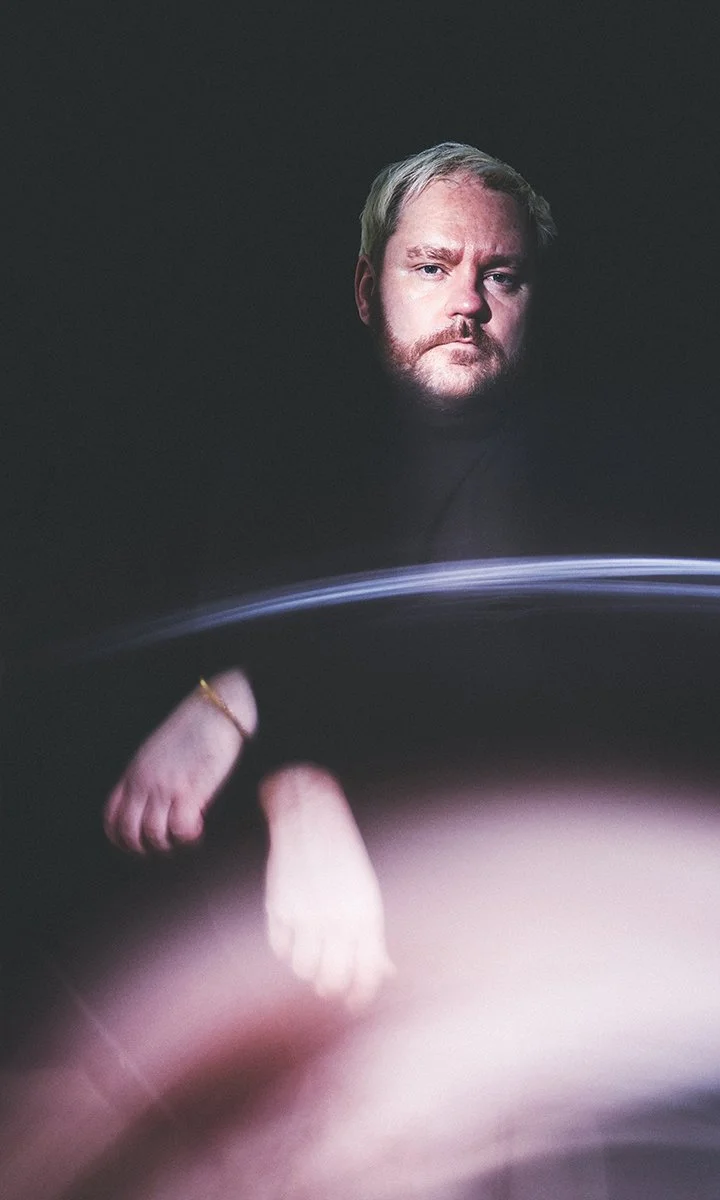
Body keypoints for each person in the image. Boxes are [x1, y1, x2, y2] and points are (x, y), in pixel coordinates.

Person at [103, 142, 558, 1009]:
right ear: (366, 288)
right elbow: (218, 637)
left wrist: (265, 734)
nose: (467, 303)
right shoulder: (286, 459)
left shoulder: (572, 475)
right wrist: (248, 717)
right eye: (432, 267)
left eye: (502, 276)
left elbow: (494, 700)